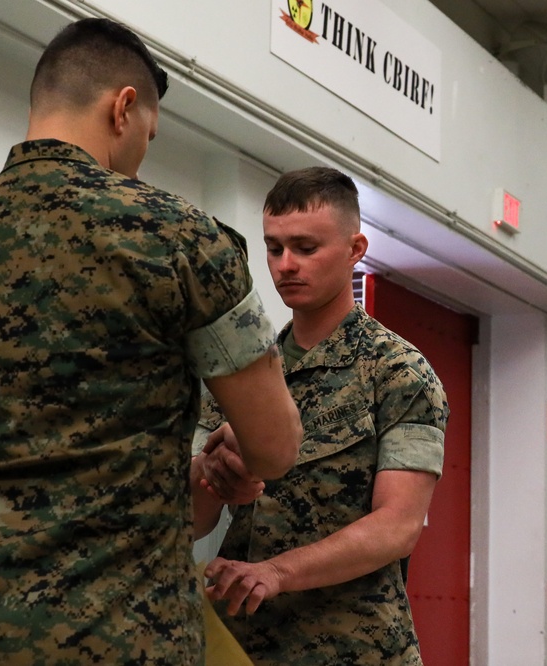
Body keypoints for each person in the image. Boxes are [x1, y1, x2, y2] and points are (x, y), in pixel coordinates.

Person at [0, 18, 301, 665]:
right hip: (115, 637)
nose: (141, 155)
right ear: (124, 107)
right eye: (148, 137)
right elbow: (274, 447)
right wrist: (225, 458)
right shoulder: (183, 239)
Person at [193, 166, 448, 665]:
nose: (286, 265)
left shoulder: (397, 371)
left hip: (357, 647)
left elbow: (398, 525)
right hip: (246, 643)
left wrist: (278, 572)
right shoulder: (243, 371)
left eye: (306, 249)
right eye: (274, 248)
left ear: (355, 249)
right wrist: (213, 475)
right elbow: (193, 518)